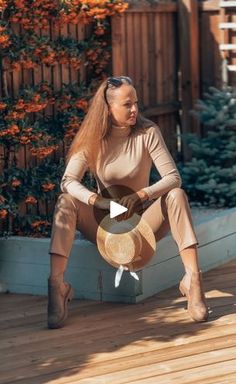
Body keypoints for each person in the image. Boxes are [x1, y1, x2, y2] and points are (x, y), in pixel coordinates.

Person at [48, 75, 209, 329]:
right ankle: (58, 287)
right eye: (127, 104)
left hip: (143, 224)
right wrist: (96, 200)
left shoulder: (148, 132)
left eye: (136, 102)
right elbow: (68, 181)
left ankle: (193, 281)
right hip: (104, 225)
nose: (134, 109)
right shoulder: (92, 137)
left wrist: (141, 195)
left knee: (177, 195)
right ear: (108, 108)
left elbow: (173, 178)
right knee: (65, 202)